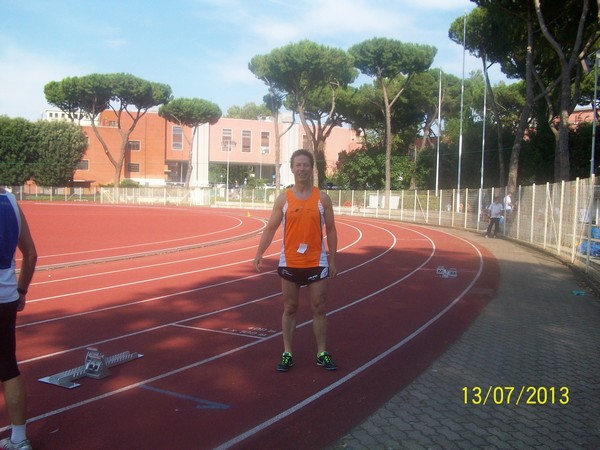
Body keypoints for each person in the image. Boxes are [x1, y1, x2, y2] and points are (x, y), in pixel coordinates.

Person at [253, 149, 338, 372]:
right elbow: (270, 228)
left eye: (305, 165)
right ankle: (287, 353)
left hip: (316, 262)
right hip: (289, 262)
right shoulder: (283, 199)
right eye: (297, 165)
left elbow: (331, 229)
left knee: (319, 308)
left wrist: (333, 260)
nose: (301, 169)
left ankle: (322, 353)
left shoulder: (322, 198)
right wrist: (259, 253)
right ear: (292, 169)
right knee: (290, 308)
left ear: (311, 168)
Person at [0, 189, 37, 450]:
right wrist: (21, 290)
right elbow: (31, 253)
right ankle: (19, 439)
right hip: (6, 296)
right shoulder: (11, 200)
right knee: (8, 367)